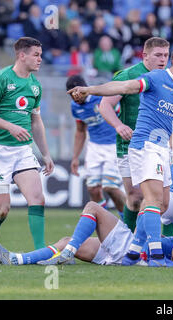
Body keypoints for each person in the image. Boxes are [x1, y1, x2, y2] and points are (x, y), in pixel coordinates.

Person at [66, 48, 173, 267]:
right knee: (153, 200)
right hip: (144, 146)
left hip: (161, 149)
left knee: (163, 205)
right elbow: (123, 87)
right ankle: (155, 256)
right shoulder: (156, 78)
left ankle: (133, 252)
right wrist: (90, 89)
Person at [0, 37, 54, 264]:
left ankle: (40, 254)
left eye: (41, 55)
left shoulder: (35, 85)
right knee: (2, 209)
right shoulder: (1, 79)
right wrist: (10, 127)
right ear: (22, 55)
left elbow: (36, 121)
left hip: (22, 151)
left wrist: (46, 153)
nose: (40, 59)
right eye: (36, 55)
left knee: (37, 199)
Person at [97, 37, 170, 234]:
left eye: (166, 55)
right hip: (129, 145)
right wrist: (119, 125)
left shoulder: (170, 78)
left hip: (160, 145)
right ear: (145, 55)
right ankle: (129, 240)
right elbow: (104, 105)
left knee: (163, 199)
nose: (163, 59)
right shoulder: (128, 75)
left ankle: (164, 246)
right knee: (136, 196)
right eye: (158, 55)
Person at [0, 201, 173, 266]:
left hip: (135, 251)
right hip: (132, 253)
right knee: (66, 240)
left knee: (93, 207)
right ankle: (16, 259)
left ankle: (69, 251)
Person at [66, 75, 126, 219]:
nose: (75, 97)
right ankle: (106, 223)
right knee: (93, 189)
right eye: (71, 94)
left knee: (110, 187)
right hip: (94, 147)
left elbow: (122, 108)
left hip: (114, 145)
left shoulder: (100, 98)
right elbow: (80, 131)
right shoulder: (75, 107)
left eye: (76, 92)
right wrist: (75, 157)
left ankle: (128, 222)